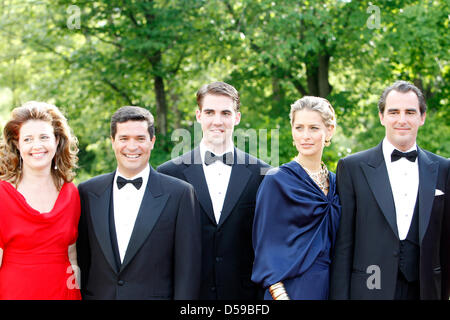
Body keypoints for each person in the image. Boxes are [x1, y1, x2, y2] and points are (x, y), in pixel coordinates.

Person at [330, 80, 450, 300]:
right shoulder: (352, 167)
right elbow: (343, 245)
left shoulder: (444, 169)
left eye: (410, 112)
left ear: (422, 118)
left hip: (426, 291)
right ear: (382, 117)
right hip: (369, 289)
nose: (402, 120)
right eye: (394, 112)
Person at [157, 81, 270, 299]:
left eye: (225, 113)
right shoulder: (168, 174)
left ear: (237, 118)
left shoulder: (263, 174)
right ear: (198, 116)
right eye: (210, 112)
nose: (217, 121)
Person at [76, 106, 201, 300]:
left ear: (152, 142)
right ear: (112, 142)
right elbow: (82, 260)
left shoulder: (180, 194)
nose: (132, 147)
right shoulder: (87, 192)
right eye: (124, 139)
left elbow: (188, 270)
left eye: (140, 139)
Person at [251, 96, 341, 300]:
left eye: (314, 128)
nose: (305, 136)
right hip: (290, 290)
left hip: (332, 288)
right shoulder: (276, 181)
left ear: (329, 130)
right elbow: (264, 248)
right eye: (299, 127)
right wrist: (280, 295)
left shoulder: (338, 184)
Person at [0, 101, 80, 300]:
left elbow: (72, 255)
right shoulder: (2, 194)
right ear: (17, 145)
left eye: (44, 137)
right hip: (14, 292)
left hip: (64, 292)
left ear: (57, 141)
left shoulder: (71, 192)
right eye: (28, 139)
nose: (37, 146)